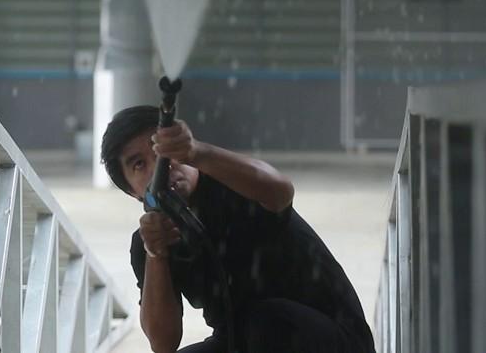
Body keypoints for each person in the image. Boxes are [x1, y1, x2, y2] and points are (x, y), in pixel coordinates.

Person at [100, 105, 375, 353]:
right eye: (139, 164)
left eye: (161, 150)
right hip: (243, 340)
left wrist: (197, 151)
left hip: (331, 337)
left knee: (265, 323)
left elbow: (281, 191)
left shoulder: (234, 182)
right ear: (133, 193)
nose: (160, 166)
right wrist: (156, 255)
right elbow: (163, 343)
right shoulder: (149, 241)